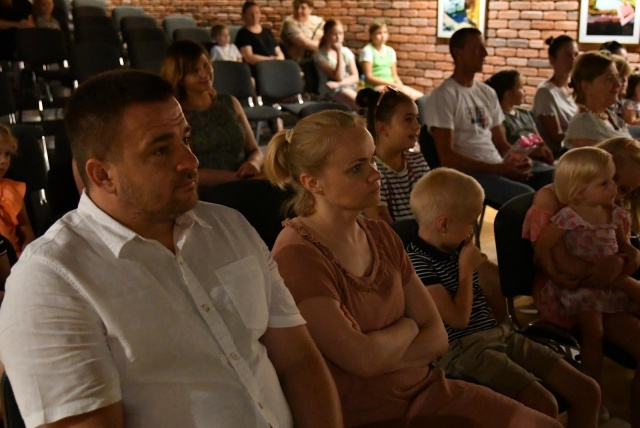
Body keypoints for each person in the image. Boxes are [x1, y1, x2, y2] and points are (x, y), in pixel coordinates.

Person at [0, 69, 343, 428]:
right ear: (103, 175)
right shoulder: (50, 281)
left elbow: (299, 361)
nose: (191, 160)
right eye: (161, 149)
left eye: (186, 138)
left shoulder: (228, 226)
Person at [266, 109, 562, 428]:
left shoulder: (380, 234)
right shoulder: (299, 255)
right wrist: (409, 327)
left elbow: (437, 338)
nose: (375, 174)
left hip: (426, 390)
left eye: (371, 160)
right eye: (356, 168)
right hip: (366, 411)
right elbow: (362, 360)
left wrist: (383, 352)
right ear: (313, 183)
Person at [406, 167, 600, 427]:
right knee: (543, 404)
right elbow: (458, 320)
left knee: (587, 389)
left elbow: (495, 291)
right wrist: (466, 271)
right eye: (471, 222)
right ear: (443, 224)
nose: (472, 231)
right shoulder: (417, 263)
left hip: (498, 334)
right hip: (465, 351)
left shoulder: (455, 245)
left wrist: (499, 317)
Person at [523, 136, 640, 427]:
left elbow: (623, 247)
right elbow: (551, 257)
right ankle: (594, 396)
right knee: (595, 332)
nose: (616, 191)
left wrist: (626, 259)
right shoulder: (562, 203)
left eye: (625, 189)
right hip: (573, 293)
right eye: (612, 181)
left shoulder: (611, 208)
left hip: (606, 290)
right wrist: (620, 277)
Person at [425, 27, 555, 207]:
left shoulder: (487, 93)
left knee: (553, 177)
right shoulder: (444, 95)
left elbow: (501, 144)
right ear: (458, 52)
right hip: (469, 174)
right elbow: (447, 157)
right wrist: (499, 169)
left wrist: (518, 159)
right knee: (524, 196)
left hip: (497, 165)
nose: (484, 53)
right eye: (477, 48)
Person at [161, 40, 263, 188]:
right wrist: (239, 179)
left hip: (245, 180)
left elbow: (254, 150)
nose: (204, 74)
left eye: (206, 65)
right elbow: (190, 171)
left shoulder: (230, 102)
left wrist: (253, 163)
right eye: (194, 71)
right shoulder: (179, 116)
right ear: (180, 79)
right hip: (210, 189)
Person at [357, 87, 429, 223]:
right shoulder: (370, 170)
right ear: (383, 128)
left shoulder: (417, 161)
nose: (417, 126)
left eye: (416, 119)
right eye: (408, 119)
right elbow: (382, 225)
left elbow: (435, 208)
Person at [486, 69, 554, 164]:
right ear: (508, 94)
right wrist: (532, 153)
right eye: (521, 87)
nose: (524, 91)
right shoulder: (499, 118)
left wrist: (545, 150)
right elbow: (504, 147)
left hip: (541, 160)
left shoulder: (525, 113)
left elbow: (539, 139)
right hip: (520, 162)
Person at [564, 51, 631, 149]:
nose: (618, 84)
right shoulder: (583, 125)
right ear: (586, 87)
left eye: (617, 76)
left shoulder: (610, 115)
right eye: (608, 79)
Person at [532, 36, 578, 157]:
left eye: (575, 55)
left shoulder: (576, 89)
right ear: (552, 59)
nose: (573, 60)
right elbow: (556, 136)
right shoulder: (545, 92)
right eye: (567, 56)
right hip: (561, 154)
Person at [359, 21, 423, 101]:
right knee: (402, 97)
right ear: (371, 35)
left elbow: (394, 75)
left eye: (385, 32)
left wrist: (400, 85)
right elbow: (369, 77)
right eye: (379, 33)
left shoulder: (390, 51)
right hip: (376, 87)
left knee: (421, 97)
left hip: (392, 85)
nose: (383, 36)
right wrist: (391, 84)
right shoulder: (367, 51)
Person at [0, 124, 35, 257]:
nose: (3, 161)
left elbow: (26, 229)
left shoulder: (11, 191)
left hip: (16, 260)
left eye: (7, 154)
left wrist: (26, 258)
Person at [314, 19, 358, 109]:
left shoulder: (346, 51)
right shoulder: (320, 56)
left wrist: (339, 84)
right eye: (334, 34)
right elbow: (338, 77)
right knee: (358, 103)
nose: (338, 37)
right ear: (326, 35)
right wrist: (339, 52)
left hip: (346, 87)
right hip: (331, 93)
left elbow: (355, 77)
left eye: (340, 34)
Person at [235, 1, 284, 72]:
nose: (254, 16)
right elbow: (249, 57)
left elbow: (279, 52)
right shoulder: (243, 33)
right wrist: (270, 59)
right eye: (250, 14)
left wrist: (279, 59)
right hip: (258, 69)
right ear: (244, 15)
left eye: (257, 13)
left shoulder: (267, 31)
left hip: (275, 66)